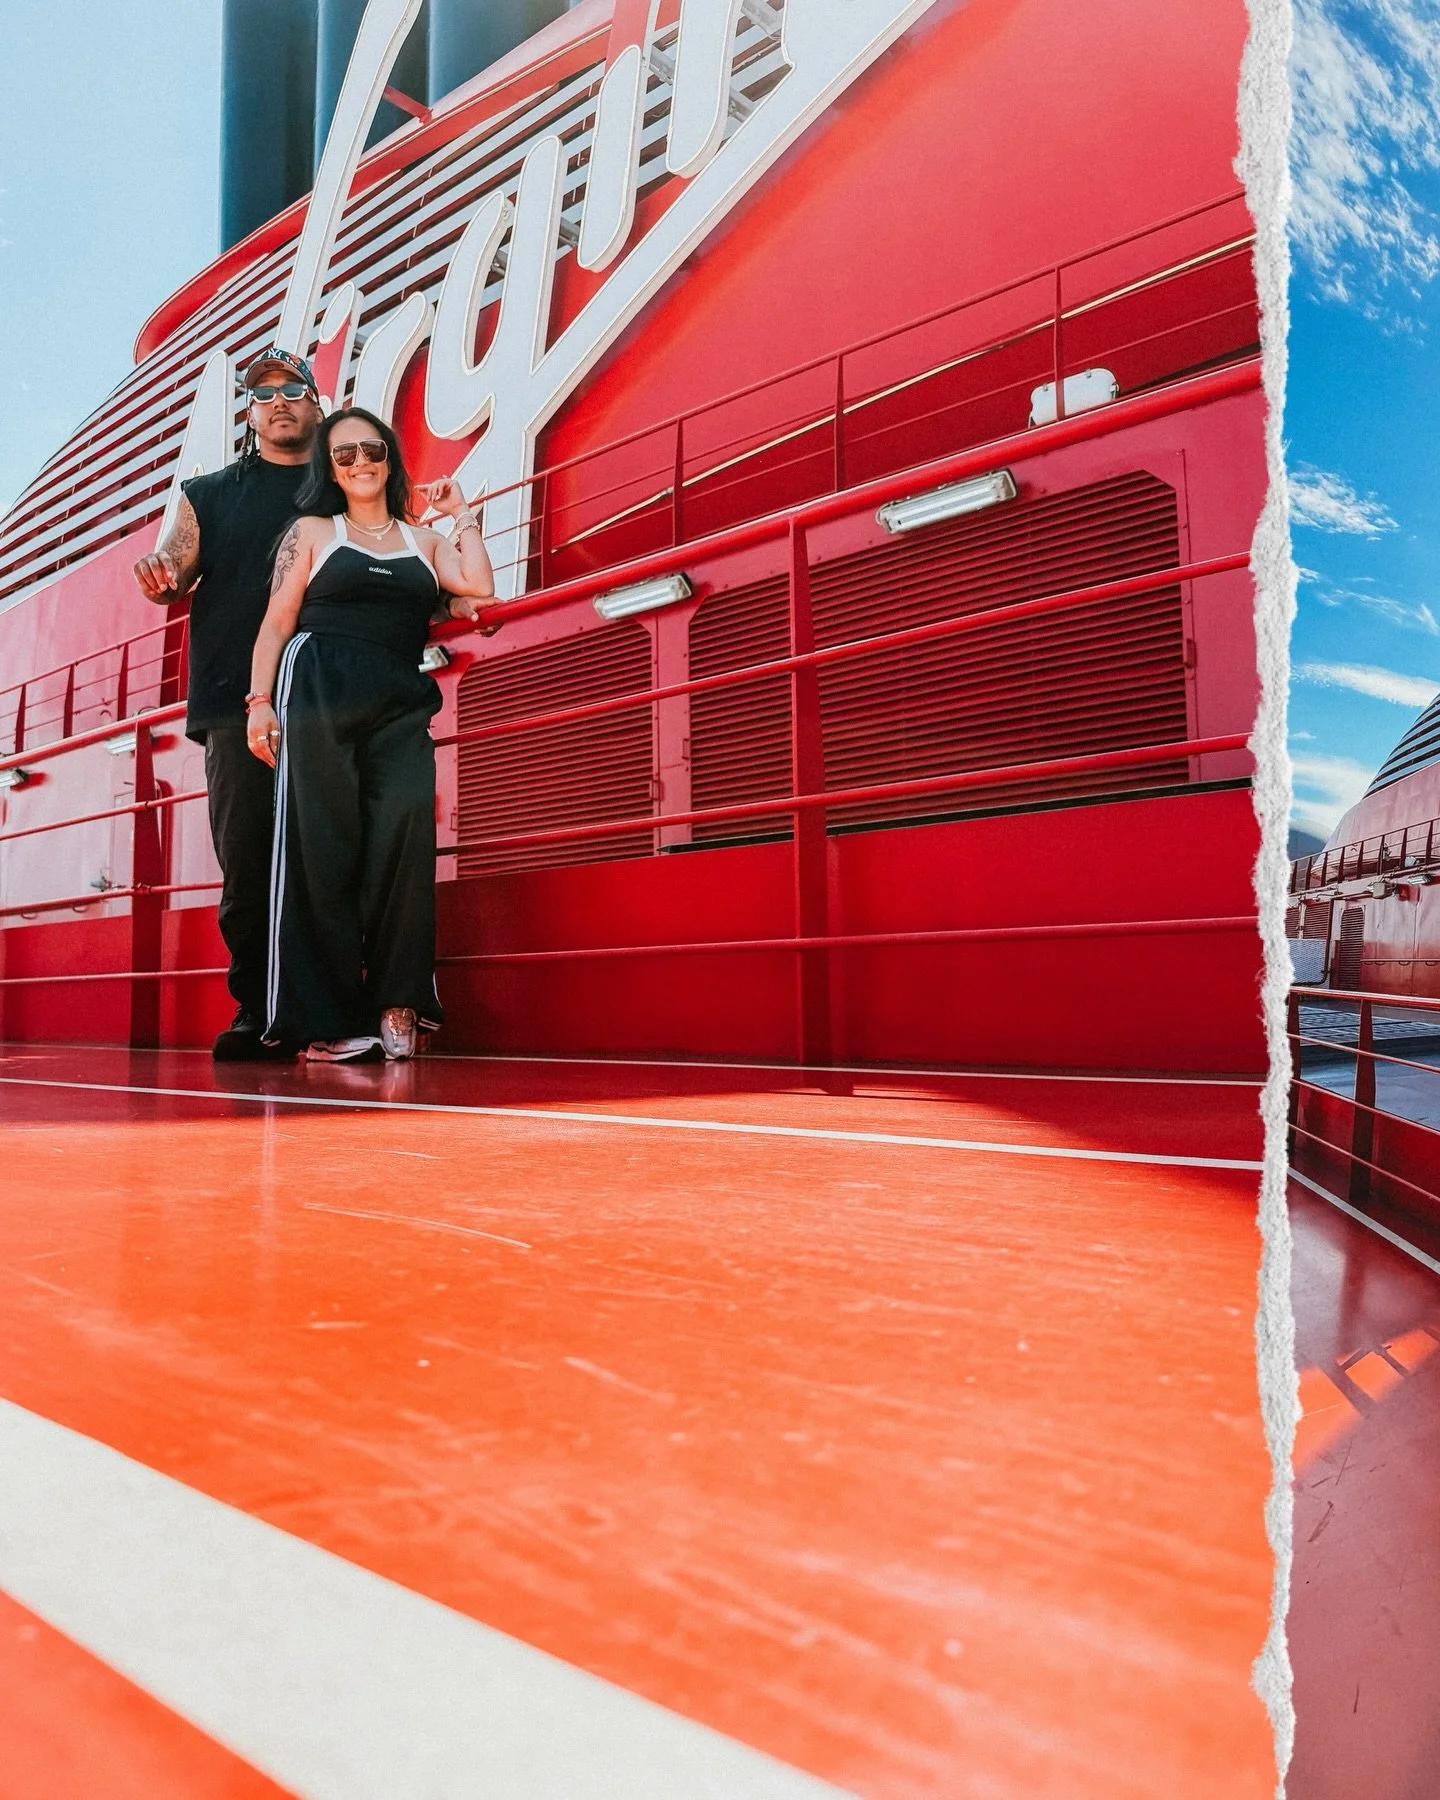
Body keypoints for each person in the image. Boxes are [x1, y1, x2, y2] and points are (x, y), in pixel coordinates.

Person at [245, 407, 494, 1062]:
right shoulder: (313, 531)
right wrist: (258, 703)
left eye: (371, 449)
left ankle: (399, 1002)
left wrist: (462, 509)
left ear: (389, 456)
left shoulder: (423, 542)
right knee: (319, 850)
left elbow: (479, 587)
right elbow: (276, 622)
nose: (360, 462)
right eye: (345, 454)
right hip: (319, 682)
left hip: (400, 693)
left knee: (403, 840)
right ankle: (319, 1024)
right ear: (330, 468)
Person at [133, 348, 323, 1060]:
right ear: (249, 411)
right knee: (247, 865)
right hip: (230, 705)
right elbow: (173, 571)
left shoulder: (343, 487)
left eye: (292, 389)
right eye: (263, 393)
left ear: (316, 401)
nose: (278, 401)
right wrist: (161, 577)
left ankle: (331, 1008)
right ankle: (259, 1011)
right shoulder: (206, 493)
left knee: (331, 858)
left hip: (330, 698)